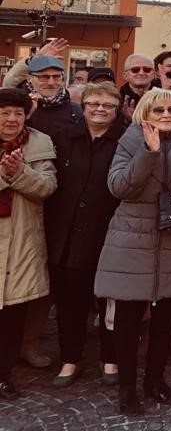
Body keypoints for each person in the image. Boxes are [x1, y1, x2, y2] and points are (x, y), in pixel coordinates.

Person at [94, 88, 171, 416]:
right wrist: (149, 152)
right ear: (145, 112)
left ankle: (155, 381)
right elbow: (119, 187)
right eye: (158, 109)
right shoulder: (131, 139)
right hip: (133, 238)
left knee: (166, 319)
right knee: (128, 321)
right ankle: (127, 390)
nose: (165, 115)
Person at [2, 42, 82, 368]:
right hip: (19, 208)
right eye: (43, 76)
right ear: (30, 80)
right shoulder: (19, 104)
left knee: (38, 281)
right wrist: (30, 60)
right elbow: (5, 93)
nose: (50, 81)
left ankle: (29, 343)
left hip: (56, 204)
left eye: (56, 76)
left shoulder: (74, 111)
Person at [47, 83, 126, 389]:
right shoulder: (64, 138)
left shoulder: (125, 140)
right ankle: (70, 358)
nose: (100, 109)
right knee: (69, 302)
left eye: (107, 105)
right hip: (66, 234)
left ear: (116, 110)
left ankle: (110, 356)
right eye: (94, 103)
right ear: (84, 106)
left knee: (110, 302)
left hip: (108, 233)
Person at [0, 87, 57, 400]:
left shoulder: (39, 142)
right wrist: (6, 173)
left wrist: (19, 172)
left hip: (21, 241)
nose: (12, 119)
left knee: (11, 316)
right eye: (5, 112)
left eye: (18, 113)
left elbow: (47, 186)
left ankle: (3, 375)